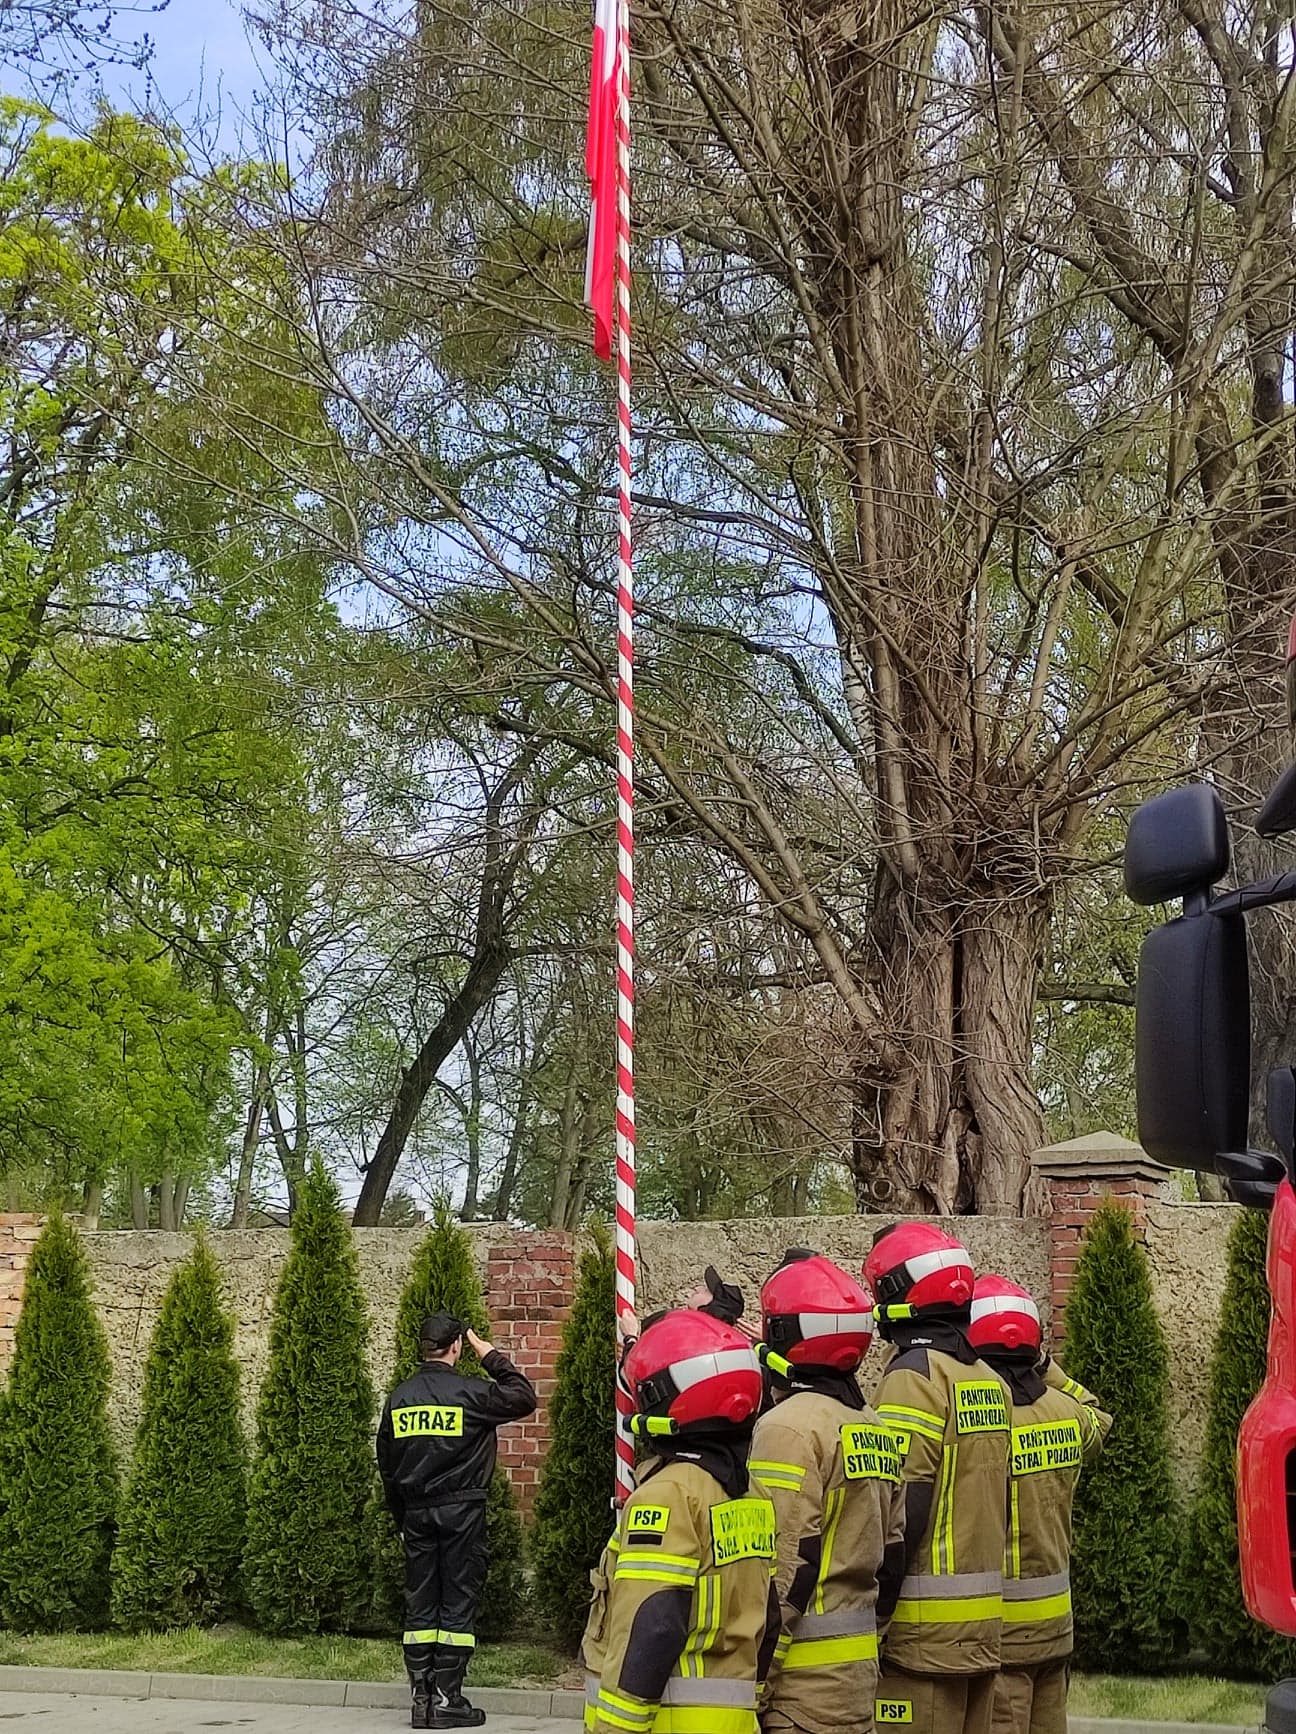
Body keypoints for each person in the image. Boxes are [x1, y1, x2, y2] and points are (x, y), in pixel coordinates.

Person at [582, 1308, 779, 1734]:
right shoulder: (752, 1493)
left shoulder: (668, 1495)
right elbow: (771, 1617)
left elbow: (653, 1624)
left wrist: (616, 1729)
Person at [862, 1224, 1010, 1734]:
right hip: (980, 1629)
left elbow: (904, 1508)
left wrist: (876, 1617)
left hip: (920, 1634)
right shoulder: (988, 1379)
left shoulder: (913, 1377)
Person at [750, 1254, 905, 1734]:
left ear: (785, 1335)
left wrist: (754, 1687)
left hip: (797, 1692)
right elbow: (894, 1558)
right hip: (854, 1685)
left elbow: (784, 1570)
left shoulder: (788, 1428)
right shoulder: (872, 1425)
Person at [377, 1312, 537, 1731]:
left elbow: (388, 1466)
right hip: (462, 1511)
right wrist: (489, 1354)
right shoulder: (470, 1392)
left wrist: (402, 1519)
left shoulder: (400, 1398)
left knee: (420, 1603)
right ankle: (448, 1700)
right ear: (457, 1346)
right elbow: (523, 1396)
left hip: (415, 1513)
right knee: (457, 1602)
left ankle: (422, 1701)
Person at [967, 1276, 1111, 1734]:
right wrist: (1047, 1366)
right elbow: (1097, 1414)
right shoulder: (1066, 1413)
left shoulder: (981, 1420)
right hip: (1055, 1629)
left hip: (1002, 1634)